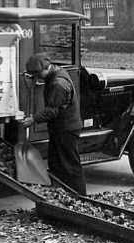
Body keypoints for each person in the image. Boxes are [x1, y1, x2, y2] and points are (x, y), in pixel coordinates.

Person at [21, 53, 86, 195]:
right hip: (60, 128)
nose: (37, 78)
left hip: (67, 129)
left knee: (70, 165)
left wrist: (33, 119)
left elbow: (52, 111)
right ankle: (61, 195)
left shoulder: (58, 84)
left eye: (37, 75)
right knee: (56, 164)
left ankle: (80, 197)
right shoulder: (55, 73)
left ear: (45, 69)